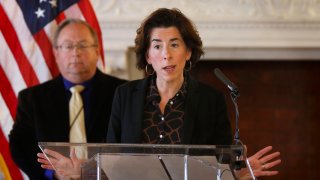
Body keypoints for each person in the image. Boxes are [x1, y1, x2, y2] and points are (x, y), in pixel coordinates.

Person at [38, 8, 281, 179]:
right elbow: (112, 161)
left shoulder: (211, 100)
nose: (166, 54)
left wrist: (237, 175)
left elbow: (222, 167)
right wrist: (82, 172)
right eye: (157, 46)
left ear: (188, 52)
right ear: (148, 56)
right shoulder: (125, 95)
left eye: (175, 44)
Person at [9, 19, 126, 179]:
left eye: (83, 45)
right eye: (68, 46)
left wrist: (95, 172)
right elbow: (20, 145)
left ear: (97, 51)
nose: (75, 52)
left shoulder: (123, 93)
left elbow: (132, 144)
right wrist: (53, 173)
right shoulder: (32, 98)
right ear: (56, 53)